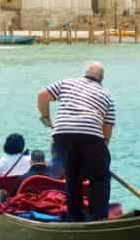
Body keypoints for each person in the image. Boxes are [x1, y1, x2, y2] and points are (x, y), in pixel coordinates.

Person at [37, 62, 116, 222]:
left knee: (73, 176)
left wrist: (46, 118)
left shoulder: (66, 83)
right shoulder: (107, 96)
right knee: (100, 177)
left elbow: (42, 95)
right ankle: (98, 218)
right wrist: (101, 153)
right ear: (102, 78)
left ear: (84, 74)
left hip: (62, 135)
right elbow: (107, 129)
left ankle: (75, 218)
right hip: (91, 137)